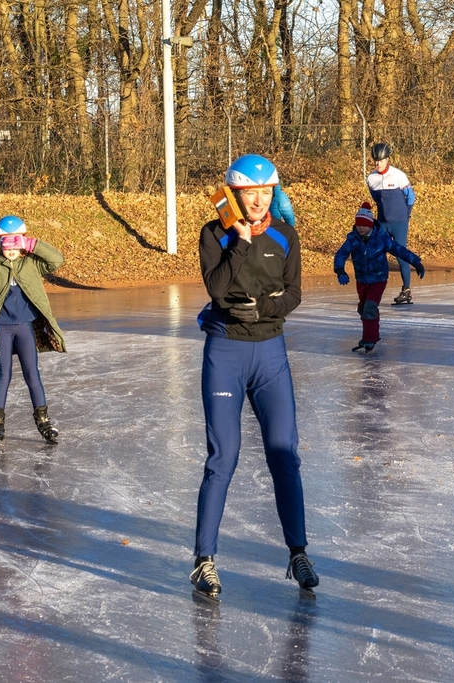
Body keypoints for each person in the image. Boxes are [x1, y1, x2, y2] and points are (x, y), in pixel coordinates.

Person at [193, 154, 318, 600]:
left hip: (270, 354)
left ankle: (298, 552)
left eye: (266, 193)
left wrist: (265, 307)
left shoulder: (286, 236)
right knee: (222, 458)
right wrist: (241, 242)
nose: (259, 201)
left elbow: (295, 293)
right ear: (234, 194)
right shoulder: (214, 234)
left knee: (285, 454)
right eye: (251, 193)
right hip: (226, 352)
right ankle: (204, 560)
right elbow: (217, 289)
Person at [0, 215, 66, 444]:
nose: (10, 248)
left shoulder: (31, 263)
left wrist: (33, 245)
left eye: (16, 241)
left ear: (22, 242)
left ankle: (43, 421)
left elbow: (56, 260)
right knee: (4, 374)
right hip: (1, 329)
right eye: (5, 242)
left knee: (32, 373)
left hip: (25, 328)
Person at [334, 202, 425, 353]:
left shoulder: (381, 237)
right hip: (362, 280)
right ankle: (369, 336)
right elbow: (341, 254)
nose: (361, 228)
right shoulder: (353, 239)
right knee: (363, 308)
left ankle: (370, 339)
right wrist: (340, 270)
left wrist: (416, 262)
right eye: (358, 225)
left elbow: (398, 250)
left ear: (371, 224)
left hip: (378, 279)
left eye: (364, 225)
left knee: (370, 307)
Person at [365, 143, 416, 305]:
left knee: (400, 256)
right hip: (382, 222)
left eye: (380, 160)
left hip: (399, 222)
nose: (377, 163)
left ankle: (406, 291)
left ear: (387, 159)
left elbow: (411, 198)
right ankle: (373, 291)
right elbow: (377, 199)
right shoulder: (371, 179)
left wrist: (405, 216)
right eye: (375, 160)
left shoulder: (398, 175)